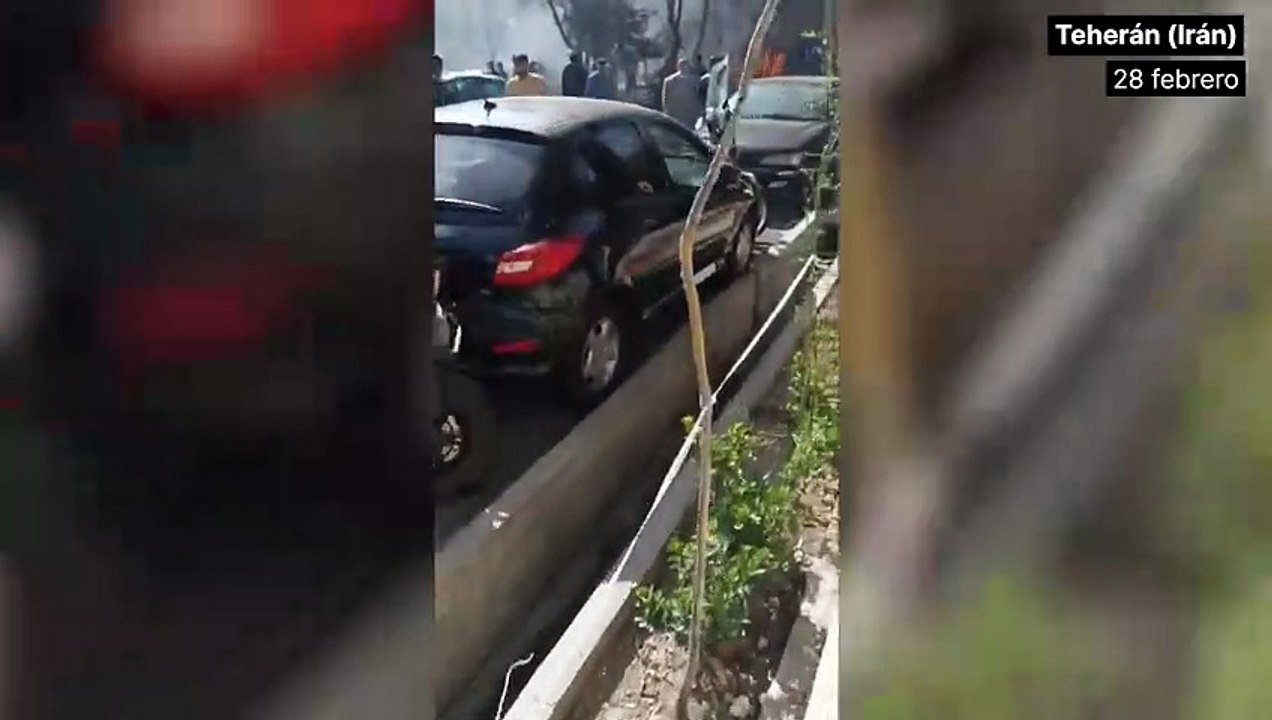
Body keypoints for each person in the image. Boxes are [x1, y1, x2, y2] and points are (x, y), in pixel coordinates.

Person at [661, 57, 702, 128]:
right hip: (688, 112)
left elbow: (665, 98)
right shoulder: (695, 80)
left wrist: (666, 110)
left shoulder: (669, 80)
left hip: (679, 112)